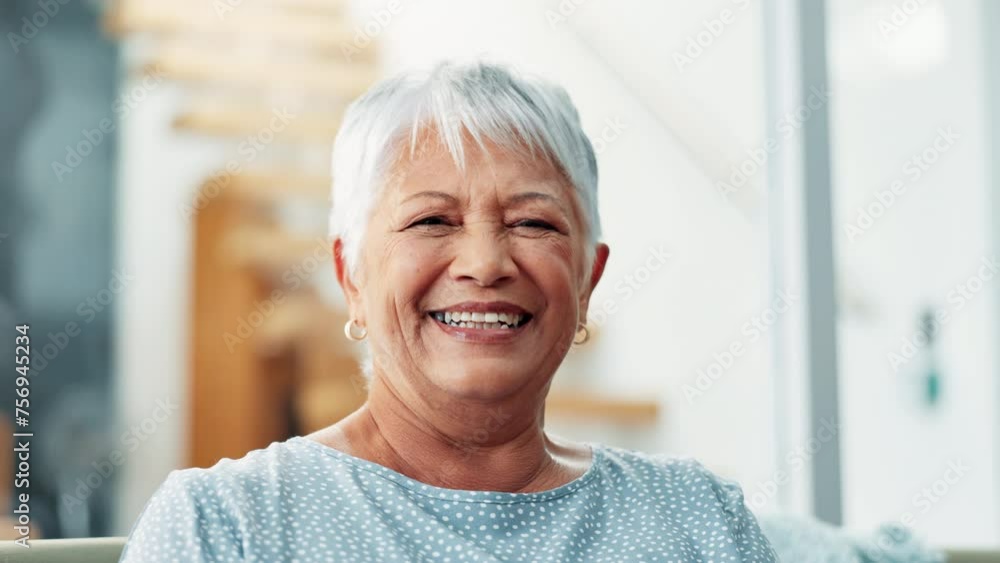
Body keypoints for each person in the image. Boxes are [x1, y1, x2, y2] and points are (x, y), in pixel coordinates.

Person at [119, 60, 778, 562]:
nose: (486, 263)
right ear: (351, 276)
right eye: (432, 219)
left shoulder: (701, 519)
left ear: (587, 281)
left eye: (532, 222)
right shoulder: (227, 526)